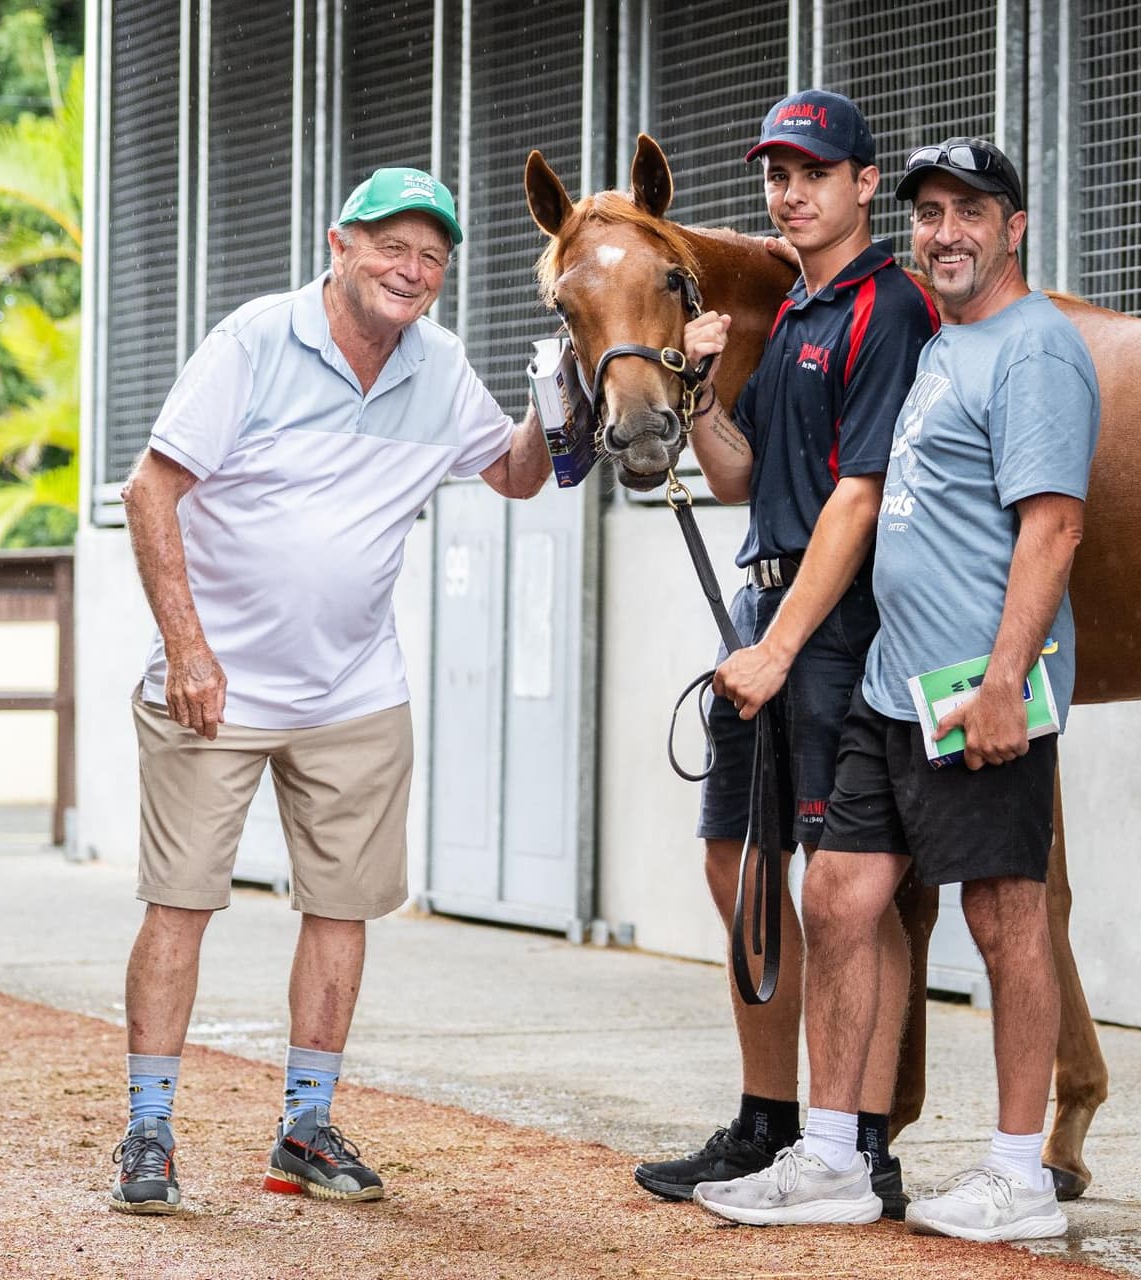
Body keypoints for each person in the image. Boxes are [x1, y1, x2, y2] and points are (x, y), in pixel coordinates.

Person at [108, 168, 552, 1215]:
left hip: (355, 689)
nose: (413, 269)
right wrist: (189, 651)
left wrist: (563, 388)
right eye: (393, 247)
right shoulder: (255, 342)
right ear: (339, 244)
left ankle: (305, 1127)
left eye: (433, 256)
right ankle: (147, 1129)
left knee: (343, 907)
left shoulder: (439, 368)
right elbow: (149, 488)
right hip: (214, 681)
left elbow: (519, 473)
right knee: (181, 903)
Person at [693, 137, 1099, 1241]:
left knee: (1006, 915)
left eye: (971, 211)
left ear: (1015, 226)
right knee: (837, 898)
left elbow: (1053, 523)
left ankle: (1022, 1176)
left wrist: (1009, 677)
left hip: (976, 683)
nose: (947, 232)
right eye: (932, 213)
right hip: (890, 684)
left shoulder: (1035, 350)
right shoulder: (938, 347)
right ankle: (830, 1154)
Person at [629, 91, 938, 1217]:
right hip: (761, 613)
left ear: (864, 184)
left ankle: (858, 1139)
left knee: (846, 891)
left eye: (814, 171)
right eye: (776, 173)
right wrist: (701, 384)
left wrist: (784, 645)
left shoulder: (888, 307)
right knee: (738, 867)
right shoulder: (800, 311)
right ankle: (768, 1122)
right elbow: (735, 476)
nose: (790, 190)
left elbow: (859, 496)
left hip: (837, 624)